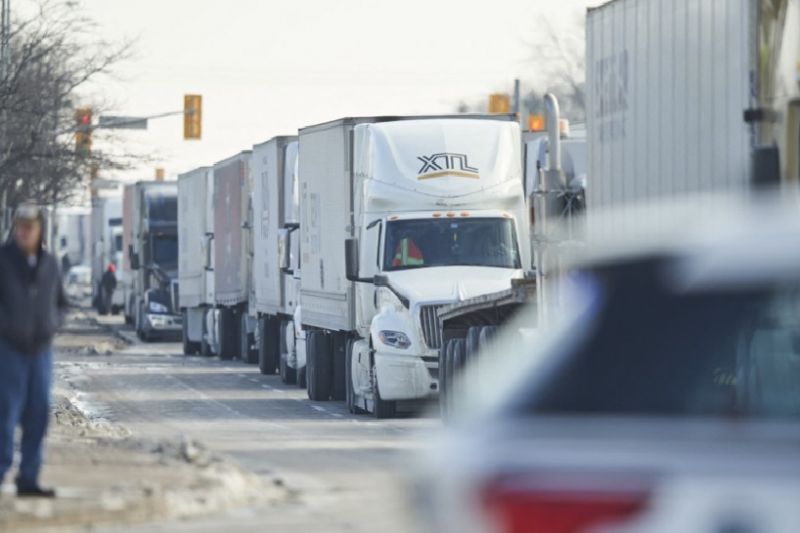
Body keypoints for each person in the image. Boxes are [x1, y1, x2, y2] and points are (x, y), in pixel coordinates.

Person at [0, 203, 67, 498]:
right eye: (20, 226)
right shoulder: (3, 260)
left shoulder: (50, 263)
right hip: (9, 349)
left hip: (41, 351)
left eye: (30, 227)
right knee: (6, 413)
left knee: (38, 413)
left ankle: (28, 478)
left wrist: (54, 324)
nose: (24, 232)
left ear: (40, 229)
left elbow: (62, 302)